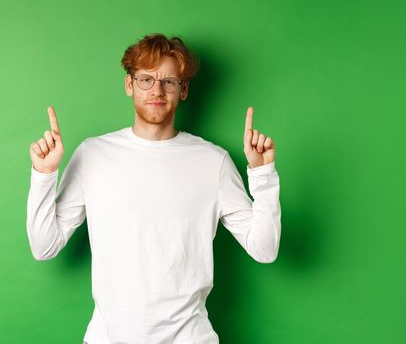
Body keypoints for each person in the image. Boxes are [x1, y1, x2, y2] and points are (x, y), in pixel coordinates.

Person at [26, 33, 281, 344]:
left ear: (183, 89)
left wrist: (262, 173)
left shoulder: (213, 162)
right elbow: (44, 246)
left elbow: (264, 249)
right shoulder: (92, 155)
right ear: (129, 85)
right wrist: (43, 174)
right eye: (146, 79)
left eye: (169, 82)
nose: (157, 91)